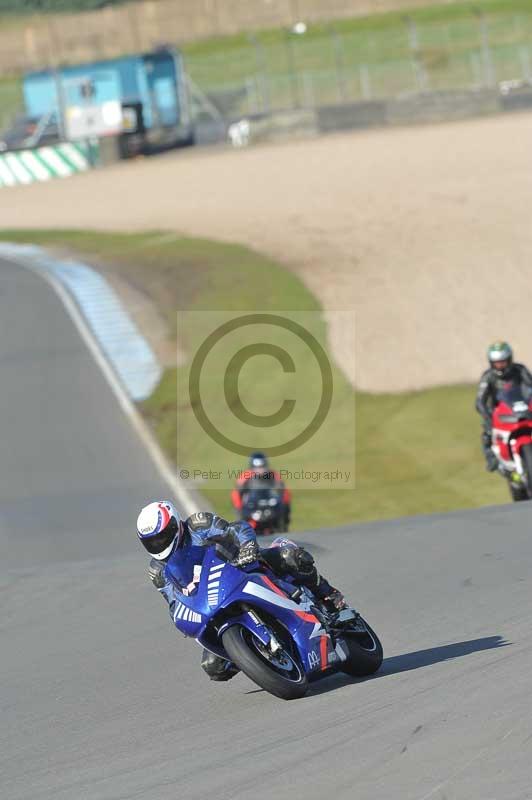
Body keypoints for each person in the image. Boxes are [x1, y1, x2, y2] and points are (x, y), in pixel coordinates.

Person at [137, 501, 346, 682]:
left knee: (291, 556)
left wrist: (247, 546)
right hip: (212, 600)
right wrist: (180, 617)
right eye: (152, 541)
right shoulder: (157, 570)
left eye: (162, 536)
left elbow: (235, 530)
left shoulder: (198, 524)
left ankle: (327, 596)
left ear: (174, 524)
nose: (158, 543)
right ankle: (255, 655)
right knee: (213, 667)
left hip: (243, 566)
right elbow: (174, 601)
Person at [475, 341, 532, 471]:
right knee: (487, 432)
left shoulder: (520, 370)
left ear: (509, 359)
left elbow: (530, 385)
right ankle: (491, 458)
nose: (500, 366)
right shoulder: (488, 377)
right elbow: (480, 401)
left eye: (503, 362)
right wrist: (489, 418)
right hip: (500, 413)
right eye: (496, 363)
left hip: (522, 407)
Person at [231, 451, 291, 527]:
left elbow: (284, 491)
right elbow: (236, 494)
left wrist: (283, 504)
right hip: (252, 505)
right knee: (244, 522)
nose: (260, 470)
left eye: (262, 467)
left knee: (283, 512)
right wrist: (240, 508)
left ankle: (283, 525)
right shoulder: (245, 476)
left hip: (269, 504)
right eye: (257, 468)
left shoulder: (273, 475)